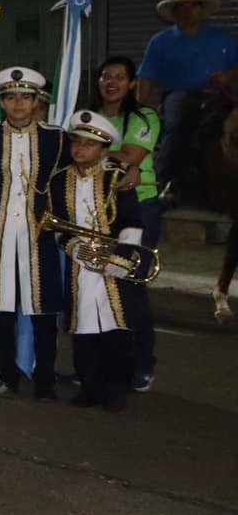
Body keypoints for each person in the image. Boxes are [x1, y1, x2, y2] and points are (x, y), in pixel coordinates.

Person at [49, 110, 151, 411]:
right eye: (76, 142)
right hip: (81, 263)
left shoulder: (117, 177)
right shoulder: (59, 180)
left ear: (104, 149)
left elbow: (132, 222)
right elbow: (57, 226)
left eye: (89, 144)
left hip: (114, 262)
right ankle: (90, 387)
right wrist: (73, 248)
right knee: (84, 325)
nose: (80, 149)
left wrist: (120, 259)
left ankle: (116, 388)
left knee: (116, 325)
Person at [0, 68, 65, 400]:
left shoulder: (56, 138)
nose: (18, 104)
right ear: (2, 102)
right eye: (11, 97)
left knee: (43, 310)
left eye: (25, 97)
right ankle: (8, 375)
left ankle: (45, 379)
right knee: (1, 310)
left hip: (39, 235)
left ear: (36, 100)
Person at [88, 55, 170, 361]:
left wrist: (93, 150)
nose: (111, 82)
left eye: (119, 77)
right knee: (96, 287)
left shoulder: (145, 116)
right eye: (105, 76)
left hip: (139, 206)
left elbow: (132, 155)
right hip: (96, 205)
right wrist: (110, 154)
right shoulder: (89, 114)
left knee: (131, 285)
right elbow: (77, 153)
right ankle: (101, 365)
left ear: (132, 83)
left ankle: (142, 363)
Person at [139, 0, 238, 198]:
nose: (186, 11)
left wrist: (228, 74)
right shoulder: (160, 41)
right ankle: (165, 183)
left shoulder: (223, 39)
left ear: (202, 10)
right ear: (174, 12)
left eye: (192, 5)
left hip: (218, 96)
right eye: (180, 7)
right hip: (178, 95)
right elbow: (146, 76)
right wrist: (136, 107)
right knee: (176, 126)